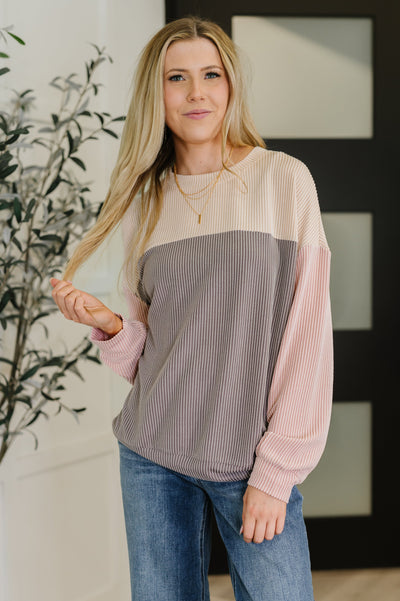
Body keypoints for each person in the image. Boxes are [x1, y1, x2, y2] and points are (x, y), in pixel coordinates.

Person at [50, 15, 333, 601]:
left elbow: (307, 339)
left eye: (211, 74)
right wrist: (111, 326)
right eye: (177, 77)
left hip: (249, 459)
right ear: (156, 94)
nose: (196, 92)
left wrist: (276, 472)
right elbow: (157, 352)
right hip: (153, 455)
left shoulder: (283, 181)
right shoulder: (144, 203)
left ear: (231, 86)